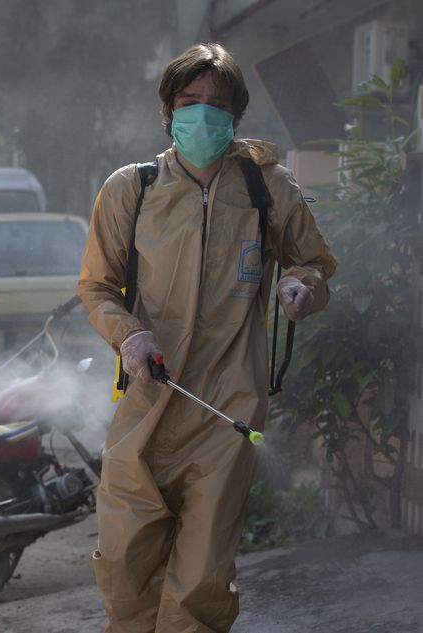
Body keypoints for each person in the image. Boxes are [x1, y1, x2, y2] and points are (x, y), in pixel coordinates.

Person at [77, 43, 336, 633]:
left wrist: (301, 287)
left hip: (227, 412)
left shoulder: (268, 188)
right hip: (145, 407)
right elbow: (97, 287)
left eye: (216, 105)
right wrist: (130, 335)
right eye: (189, 102)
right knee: (122, 567)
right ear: (166, 110)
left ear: (236, 116)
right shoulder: (131, 189)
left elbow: (314, 264)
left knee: (200, 586)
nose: (202, 115)